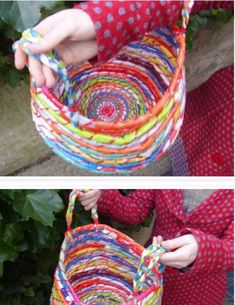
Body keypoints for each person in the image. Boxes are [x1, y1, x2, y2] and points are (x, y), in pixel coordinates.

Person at [14, 1, 234, 176]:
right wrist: (112, 17)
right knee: (192, 148)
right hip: (213, 108)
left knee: (194, 166)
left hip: (208, 153)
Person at [78, 189, 234, 305]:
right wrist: (102, 195)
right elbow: (135, 210)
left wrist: (203, 249)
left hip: (199, 299)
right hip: (151, 289)